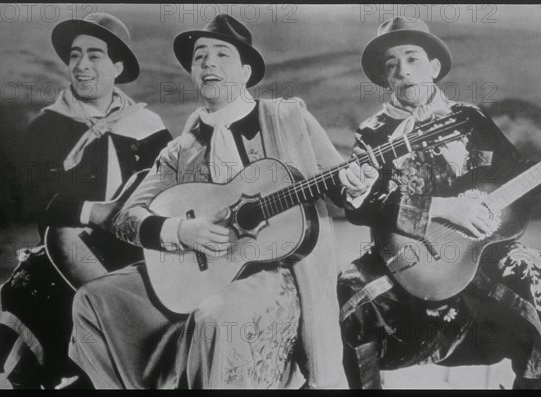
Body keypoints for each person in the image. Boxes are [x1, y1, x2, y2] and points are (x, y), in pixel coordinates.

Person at [67, 14, 376, 389]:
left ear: (246, 72)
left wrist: (357, 185)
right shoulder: (180, 151)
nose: (208, 62)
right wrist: (180, 230)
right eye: (199, 57)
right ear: (194, 74)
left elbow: (338, 185)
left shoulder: (288, 117)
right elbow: (125, 216)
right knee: (93, 299)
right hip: (199, 272)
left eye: (221, 54)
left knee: (216, 319)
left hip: (276, 276)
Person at [339, 17, 541, 389]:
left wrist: (488, 208)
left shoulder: (470, 118)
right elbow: (361, 206)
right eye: (391, 65)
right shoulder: (373, 132)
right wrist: (443, 207)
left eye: (412, 59)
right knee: (353, 290)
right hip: (408, 260)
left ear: (434, 68)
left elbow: (516, 178)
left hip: (480, 254)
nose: (403, 72)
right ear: (385, 79)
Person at [0, 12, 172, 389]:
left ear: (117, 66)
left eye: (95, 55)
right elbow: (29, 198)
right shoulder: (47, 126)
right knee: (32, 300)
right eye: (75, 55)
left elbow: (171, 189)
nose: (81, 65)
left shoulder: (150, 128)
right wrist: (95, 213)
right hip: (69, 250)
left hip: (139, 250)